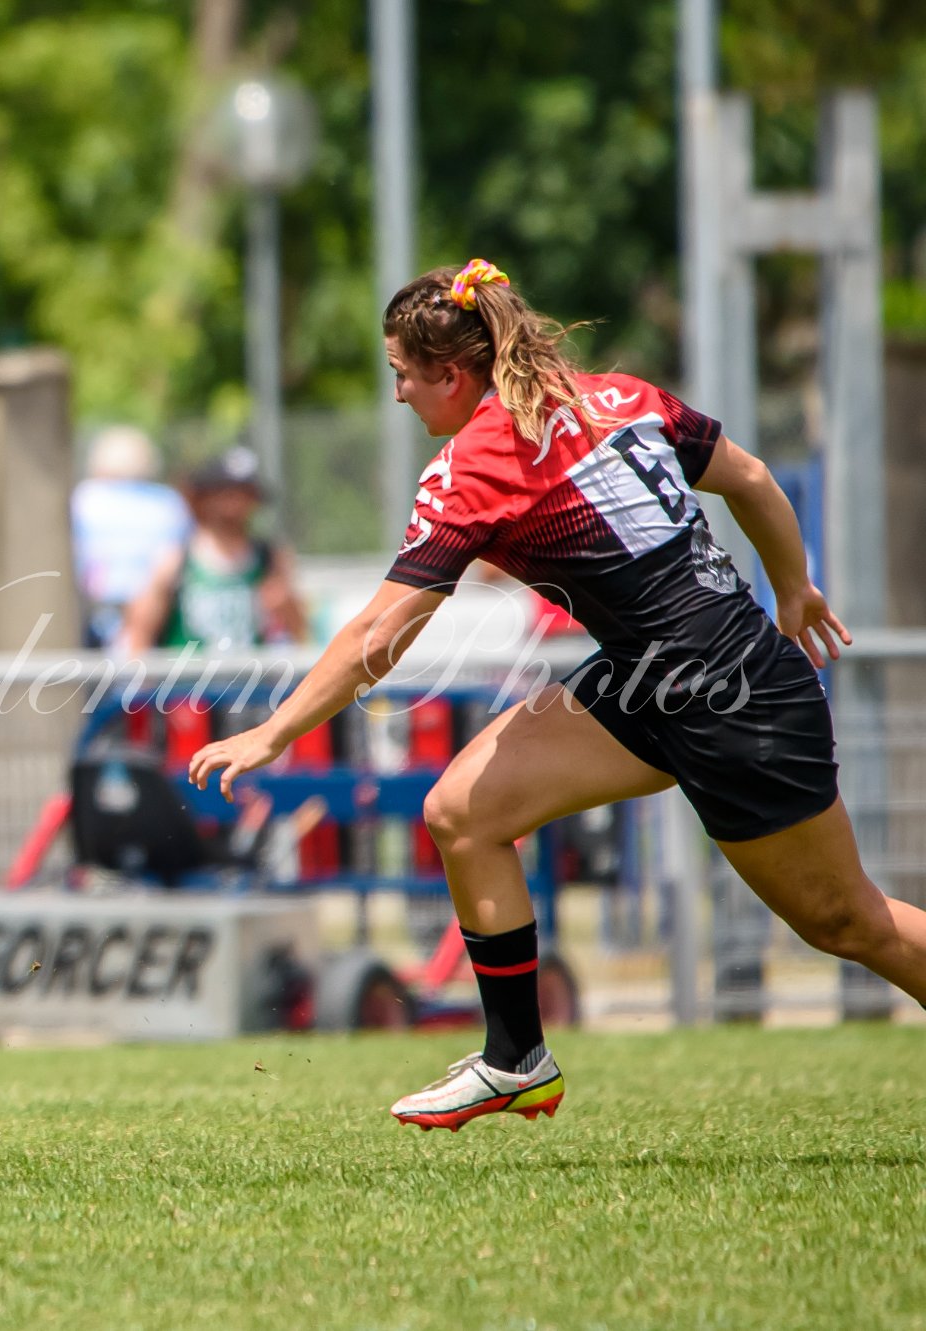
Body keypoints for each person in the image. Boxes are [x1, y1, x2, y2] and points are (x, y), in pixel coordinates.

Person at [188, 258, 926, 1130]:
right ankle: (516, 1060)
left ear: (452, 376)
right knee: (462, 810)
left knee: (849, 923)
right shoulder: (620, 395)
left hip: (726, 693)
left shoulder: (475, 465)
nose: (397, 397)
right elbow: (754, 479)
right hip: (657, 675)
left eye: (401, 376)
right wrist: (792, 587)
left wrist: (270, 733)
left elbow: (377, 636)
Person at [113, 446, 307, 656]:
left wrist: (286, 605)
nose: (235, 504)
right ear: (204, 497)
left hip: (251, 683)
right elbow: (140, 630)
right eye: (226, 493)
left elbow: (300, 633)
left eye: (244, 494)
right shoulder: (177, 559)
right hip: (188, 685)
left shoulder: (270, 559)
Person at [71, 425, 193, 647]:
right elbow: (174, 559)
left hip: (94, 606)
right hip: (152, 611)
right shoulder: (167, 502)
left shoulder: (84, 498)